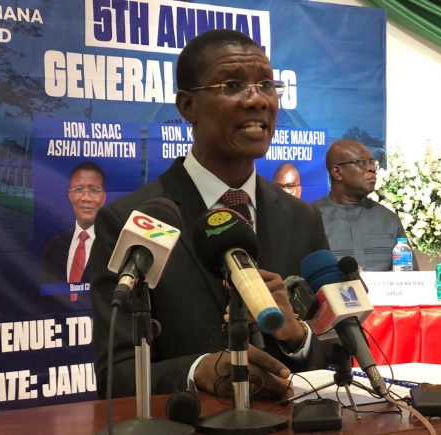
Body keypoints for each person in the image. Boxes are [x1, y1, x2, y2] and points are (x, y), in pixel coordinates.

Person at [90, 29, 329, 399]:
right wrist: (198, 371)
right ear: (188, 106)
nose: (257, 99)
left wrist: (297, 336)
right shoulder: (132, 221)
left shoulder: (302, 218)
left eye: (266, 84)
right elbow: (115, 374)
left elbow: (333, 353)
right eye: (233, 85)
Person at [313, 139, 418, 271]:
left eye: (372, 162)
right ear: (337, 172)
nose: (372, 168)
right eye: (361, 162)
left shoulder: (388, 219)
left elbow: (411, 274)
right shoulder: (311, 219)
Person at [40, 162, 106, 301]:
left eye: (94, 190)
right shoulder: (53, 247)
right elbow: (45, 299)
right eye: (78, 189)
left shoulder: (115, 246)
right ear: (70, 195)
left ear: (103, 198)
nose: (86, 198)